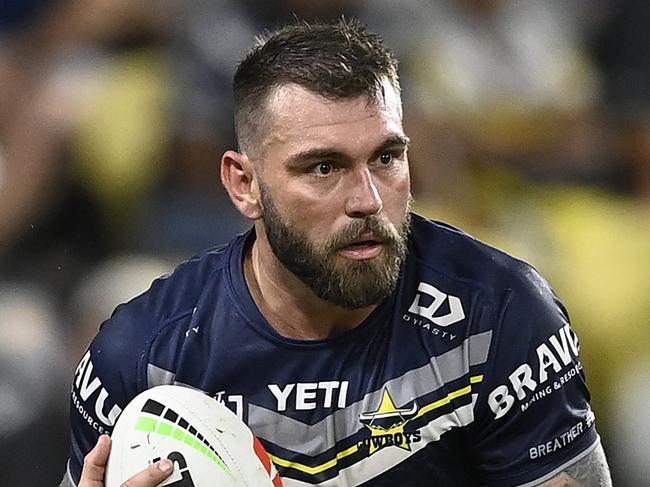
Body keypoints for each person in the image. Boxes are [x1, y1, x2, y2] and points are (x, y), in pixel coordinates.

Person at [62, 18, 612, 487]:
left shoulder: (499, 318)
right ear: (243, 185)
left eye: (386, 158)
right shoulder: (142, 361)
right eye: (323, 167)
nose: (368, 200)